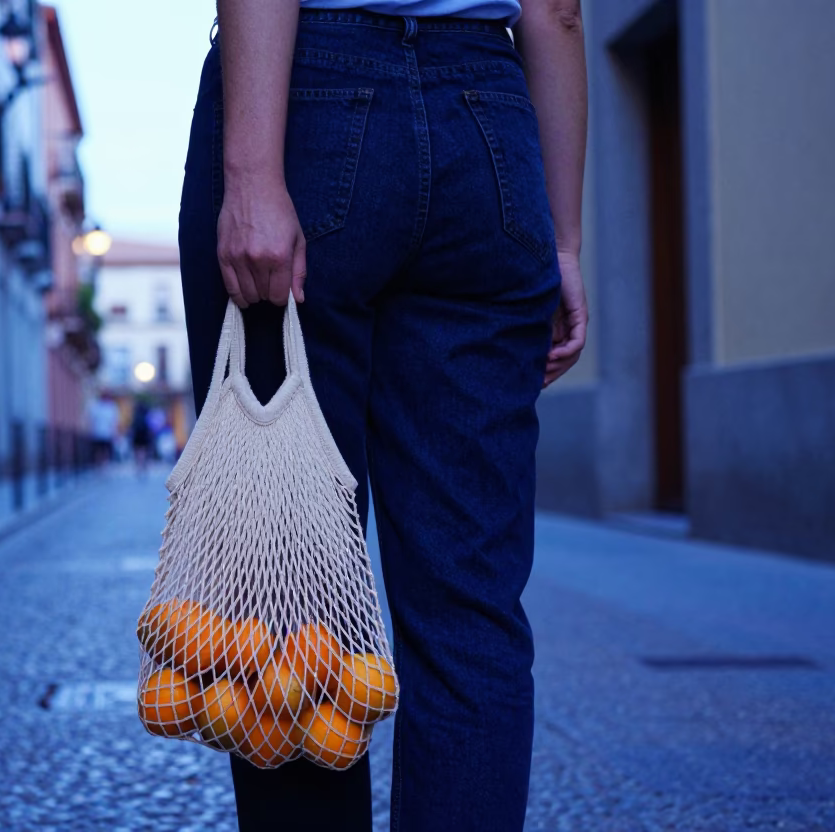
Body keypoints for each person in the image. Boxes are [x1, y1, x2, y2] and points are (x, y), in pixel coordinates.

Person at [178, 0, 587, 829]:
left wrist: (254, 172)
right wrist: (564, 242)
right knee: (471, 607)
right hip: (492, 129)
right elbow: (556, 11)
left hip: (307, 100)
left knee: (287, 610)